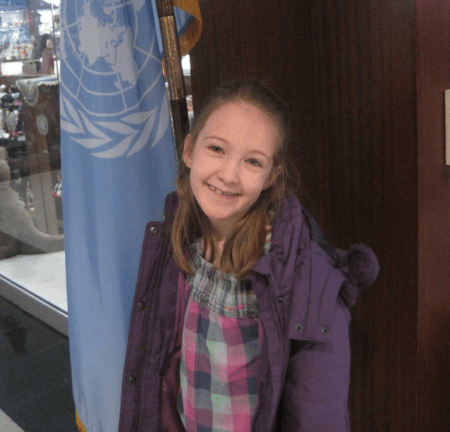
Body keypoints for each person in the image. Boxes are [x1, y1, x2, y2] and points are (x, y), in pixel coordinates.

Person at [118, 80, 379, 432]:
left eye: (252, 161)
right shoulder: (178, 239)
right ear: (189, 150)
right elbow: (162, 361)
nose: (228, 175)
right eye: (217, 149)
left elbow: (318, 412)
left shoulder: (306, 279)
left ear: (272, 175)